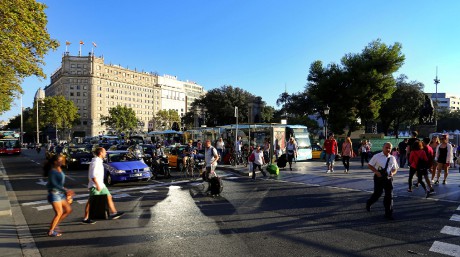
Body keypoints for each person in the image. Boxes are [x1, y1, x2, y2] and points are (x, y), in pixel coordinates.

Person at [82, 147, 124, 224]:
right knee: (91, 202)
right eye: (104, 152)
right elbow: (92, 175)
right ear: (100, 153)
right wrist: (97, 185)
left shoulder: (99, 161)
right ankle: (86, 218)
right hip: (95, 185)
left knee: (109, 196)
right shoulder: (95, 162)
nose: (106, 153)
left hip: (101, 184)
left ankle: (114, 213)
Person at [366, 142, 399, 220]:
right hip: (379, 177)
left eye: (390, 148)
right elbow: (370, 165)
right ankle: (369, 202)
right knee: (378, 194)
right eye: (386, 147)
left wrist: (392, 173)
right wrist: (376, 172)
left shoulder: (392, 158)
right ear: (383, 148)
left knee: (389, 195)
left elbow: (395, 168)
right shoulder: (377, 156)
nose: (388, 149)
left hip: (388, 178)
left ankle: (388, 213)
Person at [44, 154, 73, 237]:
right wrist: (66, 190)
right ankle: (51, 231)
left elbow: (60, 184)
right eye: (59, 160)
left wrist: (66, 191)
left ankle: (55, 224)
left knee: (68, 210)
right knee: (59, 213)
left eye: (62, 160)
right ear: (55, 162)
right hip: (54, 194)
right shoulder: (52, 171)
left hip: (60, 194)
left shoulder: (59, 169)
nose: (61, 161)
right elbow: (54, 184)